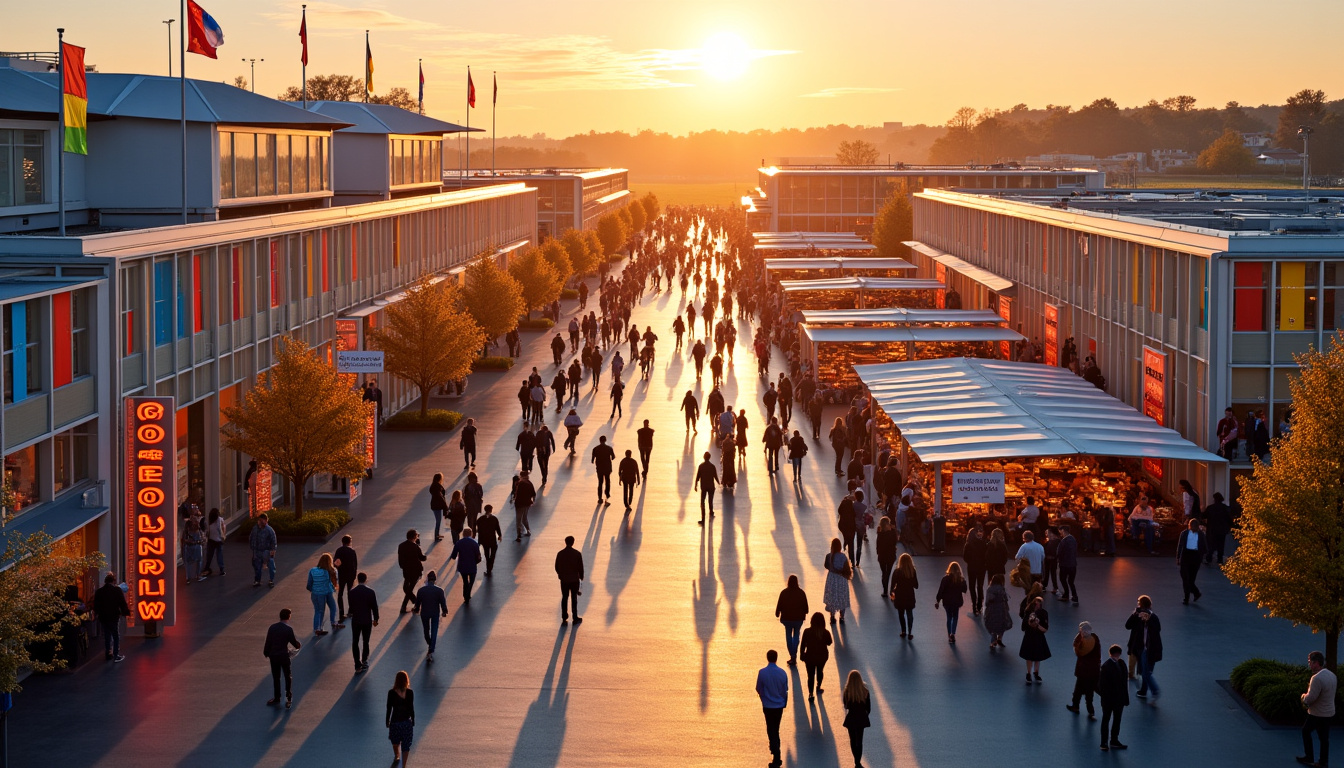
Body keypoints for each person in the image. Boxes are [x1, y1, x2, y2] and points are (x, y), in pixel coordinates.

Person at [1301, 650, 1337, 767]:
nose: (1309, 664)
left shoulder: (1316, 678)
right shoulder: (1332, 675)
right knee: (1324, 738)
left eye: (1310, 662)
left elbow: (1311, 698)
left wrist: (1303, 697)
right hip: (1329, 712)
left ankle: (1309, 757)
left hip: (1317, 713)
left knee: (1306, 731)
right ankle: (1323, 761)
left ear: (1316, 663)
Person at [755, 649, 789, 768]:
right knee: (776, 728)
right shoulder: (782, 673)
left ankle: (776, 752)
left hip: (768, 705)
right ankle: (775, 751)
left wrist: (763, 698)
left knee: (771, 729)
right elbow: (785, 690)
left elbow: (758, 688)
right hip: (779, 705)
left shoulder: (762, 672)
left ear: (767, 657)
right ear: (776, 657)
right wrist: (784, 702)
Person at [1126, 595, 1162, 699]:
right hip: (1144, 648)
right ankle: (1143, 691)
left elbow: (1156, 630)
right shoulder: (1138, 617)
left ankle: (1154, 690)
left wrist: (1148, 620)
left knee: (1146, 672)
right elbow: (1127, 625)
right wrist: (1135, 614)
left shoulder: (1153, 618)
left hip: (1149, 649)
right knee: (1146, 671)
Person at [263, 608, 301, 707]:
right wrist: (298, 645)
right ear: (289, 616)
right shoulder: (288, 629)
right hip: (284, 656)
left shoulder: (272, 627)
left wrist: (266, 652)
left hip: (274, 655)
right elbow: (294, 643)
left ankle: (277, 697)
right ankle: (288, 696)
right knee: (287, 676)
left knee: (276, 677)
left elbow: (268, 641)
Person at [1097, 644, 1130, 750]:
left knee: (1107, 720)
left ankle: (1105, 743)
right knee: (1115, 720)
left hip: (1110, 700)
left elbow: (1100, 686)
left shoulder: (1106, 666)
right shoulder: (1121, 665)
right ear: (1119, 654)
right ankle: (1112, 740)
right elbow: (1124, 683)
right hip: (1116, 700)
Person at [1067, 621, 1102, 719]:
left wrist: (1080, 637)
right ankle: (1090, 711)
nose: (1081, 632)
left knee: (1080, 690)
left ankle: (1076, 707)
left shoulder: (1088, 641)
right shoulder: (1095, 638)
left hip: (1085, 670)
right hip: (1092, 671)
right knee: (1088, 691)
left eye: (1082, 631)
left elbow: (1079, 652)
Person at [93, 572, 130, 662]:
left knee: (107, 635)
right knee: (115, 635)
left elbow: (96, 605)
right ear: (113, 581)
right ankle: (116, 654)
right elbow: (122, 603)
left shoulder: (99, 591)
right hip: (114, 616)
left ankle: (108, 653)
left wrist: (97, 614)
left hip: (103, 617)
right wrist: (125, 612)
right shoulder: (117, 590)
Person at [347, 572, 379, 672]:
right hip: (367, 620)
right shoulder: (370, 592)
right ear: (366, 580)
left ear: (357, 579)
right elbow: (374, 607)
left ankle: (357, 664)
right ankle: (364, 660)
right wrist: (376, 619)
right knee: (366, 641)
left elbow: (351, 608)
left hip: (356, 620)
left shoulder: (351, 592)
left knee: (355, 642)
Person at [774, 574, 809, 665]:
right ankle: (794, 653)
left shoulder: (784, 592)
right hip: (798, 619)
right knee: (796, 635)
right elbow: (806, 609)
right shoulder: (801, 593)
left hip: (787, 619)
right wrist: (803, 613)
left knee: (788, 636)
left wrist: (778, 612)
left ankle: (792, 655)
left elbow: (779, 604)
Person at [799, 612, 833, 703]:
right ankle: (818, 686)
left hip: (810, 656)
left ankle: (810, 693)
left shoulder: (807, 632)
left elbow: (802, 645)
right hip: (822, 656)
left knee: (810, 676)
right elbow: (829, 642)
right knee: (820, 671)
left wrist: (802, 655)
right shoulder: (825, 632)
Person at [415, 572, 448, 661]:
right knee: (434, 631)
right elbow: (443, 602)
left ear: (428, 579)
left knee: (426, 631)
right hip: (435, 613)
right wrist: (444, 611)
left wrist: (416, 609)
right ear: (435, 580)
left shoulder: (421, 590)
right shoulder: (439, 591)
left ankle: (429, 643)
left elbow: (417, 603)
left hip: (424, 613)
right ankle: (431, 649)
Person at [842, 670, 872, 768]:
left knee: (852, 740)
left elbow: (846, 706)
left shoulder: (847, 691)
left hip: (851, 718)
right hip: (861, 718)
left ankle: (856, 760)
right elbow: (868, 708)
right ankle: (858, 761)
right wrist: (864, 714)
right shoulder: (865, 691)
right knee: (859, 740)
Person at [306, 553, 340, 636]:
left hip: (316, 594)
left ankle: (317, 628)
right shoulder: (331, 571)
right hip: (327, 592)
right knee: (333, 607)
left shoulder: (312, 570)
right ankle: (334, 622)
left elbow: (309, 584)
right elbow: (335, 582)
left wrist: (313, 590)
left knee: (318, 611)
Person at [386, 670, 416, 766]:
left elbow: (389, 708)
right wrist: (413, 719)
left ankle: (397, 755)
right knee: (406, 745)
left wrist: (387, 721)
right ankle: (404, 765)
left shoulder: (391, 693)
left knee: (395, 741)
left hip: (395, 722)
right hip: (406, 722)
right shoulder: (410, 692)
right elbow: (411, 707)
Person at [1019, 595, 1051, 684]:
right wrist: (1030, 624)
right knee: (1029, 657)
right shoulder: (1028, 612)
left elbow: (1045, 629)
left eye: (1039, 605)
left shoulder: (1044, 613)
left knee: (1037, 657)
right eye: (1036, 604)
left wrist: (1037, 625)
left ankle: (1036, 672)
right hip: (1029, 636)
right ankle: (1028, 673)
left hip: (1038, 637)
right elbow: (1023, 627)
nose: (1037, 606)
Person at [935, 561, 968, 643]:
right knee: (955, 616)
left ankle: (949, 634)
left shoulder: (945, 579)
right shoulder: (960, 579)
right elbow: (965, 590)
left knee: (949, 617)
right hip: (957, 601)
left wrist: (938, 601)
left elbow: (941, 591)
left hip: (947, 601)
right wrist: (963, 580)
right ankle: (953, 633)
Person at [555, 535, 585, 624]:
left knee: (564, 598)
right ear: (573, 542)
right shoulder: (577, 554)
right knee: (574, 598)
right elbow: (580, 567)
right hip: (574, 580)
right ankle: (575, 616)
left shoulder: (560, 554)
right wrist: (581, 577)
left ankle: (564, 617)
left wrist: (560, 574)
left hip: (564, 580)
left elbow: (557, 567)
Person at [1176, 518, 1207, 604]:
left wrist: (1201, 556)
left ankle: (1196, 593)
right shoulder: (1184, 533)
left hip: (1195, 557)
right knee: (1185, 578)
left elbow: (1204, 546)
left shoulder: (1201, 534)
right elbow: (1180, 545)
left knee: (1191, 579)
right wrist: (1178, 557)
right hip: (1186, 555)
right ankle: (1187, 597)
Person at [448, 528, 482, 603]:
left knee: (465, 581)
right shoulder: (474, 543)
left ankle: (465, 595)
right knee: (471, 581)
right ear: (471, 533)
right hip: (472, 566)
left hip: (462, 565)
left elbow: (453, 556)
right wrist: (475, 562)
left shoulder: (459, 543)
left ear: (463, 534)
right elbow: (478, 556)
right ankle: (467, 594)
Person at [824, 538, 853, 623]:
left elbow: (826, 566)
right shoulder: (843, 556)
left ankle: (832, 616)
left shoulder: (829, 556)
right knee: (842, 597)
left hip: (832, 578)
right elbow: (847, 568)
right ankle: (842, 616)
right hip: (841, 579)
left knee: (832, 596)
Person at [890, 552, 918, 638]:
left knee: (901, 614)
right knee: (910, 614)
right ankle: (910, 632)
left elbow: (892, 584)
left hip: (900, 596)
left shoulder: (897, 572)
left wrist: (892, 592)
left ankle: (903, 631)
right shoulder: (912, 571)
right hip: (909, 595)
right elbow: (916, 586)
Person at [397, 530, 426, 614]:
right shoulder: (415, 547)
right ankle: (416, 603)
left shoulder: (401, 546)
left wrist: (403, 566)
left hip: (406, 570)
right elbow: (421, 558)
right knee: (409, 588)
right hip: (416, 571)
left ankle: (406, 605)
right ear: (414, 537)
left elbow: (400, 559)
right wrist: (425, 557)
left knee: (406, 588)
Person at [984, 574, 1013, 650]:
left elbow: (987, 601)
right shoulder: (1001, 588)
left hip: (992, 609)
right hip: (1001, 608)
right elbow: (1005, 599)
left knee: (992, 624)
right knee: (1002, 623)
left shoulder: (989, 589)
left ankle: (993, 641)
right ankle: (999, 638)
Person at [963, 524, 987, 614]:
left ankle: (974, 605)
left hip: (972, 567)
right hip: (981, 567)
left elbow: (965, 557)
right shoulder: (983, 543)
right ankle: (980, 605)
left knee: (972, 586)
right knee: (980, 586)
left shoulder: (968, 545)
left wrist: (971, 561)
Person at [1204, 491, 1234, 564]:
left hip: (1212, 529)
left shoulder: (1210, 508)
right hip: (1222, 530)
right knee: (1221, 544)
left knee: (1211, 544)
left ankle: (1209, 558)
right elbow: (1229, 519)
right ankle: (1219, 559)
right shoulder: (1225, 508)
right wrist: (1230, 527)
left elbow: (1204, 516)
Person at [249, 513, 278, 588]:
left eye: (262, 520)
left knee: (271, 566)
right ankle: (257, 580)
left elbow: (273, 541)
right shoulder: (255, 529)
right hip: (257, 551)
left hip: (267, 551)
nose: (260, 522)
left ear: (266, 520)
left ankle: (271, 580)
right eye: (259, 520)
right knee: (257, 567)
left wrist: (272, 551)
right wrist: (253, 548)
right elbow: (251, 538)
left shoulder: (269, 530)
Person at [334, 535, 358, 623]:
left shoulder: (339, 550)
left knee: (340, 594)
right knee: (350, 593)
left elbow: (336, 563)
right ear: (349, 542)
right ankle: (351, 611)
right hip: (350, 575)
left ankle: (341, 612)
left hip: (341, 575)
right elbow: (355, 564)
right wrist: (354, 575)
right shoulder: (352, 551)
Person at [477, 505, 503, 577]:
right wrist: (500, 536)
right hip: (492, 539)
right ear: (491, 510)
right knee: (493, 553)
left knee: (486, 554)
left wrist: (479, 542)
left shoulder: (480, 519)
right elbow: (497, 528)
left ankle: (488, 567)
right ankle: (490, 566)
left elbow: (478, 530)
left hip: (484, 540)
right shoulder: (494, 519)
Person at [876, 517, 899, 597]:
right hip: (891, 555)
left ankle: (885, 590)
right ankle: (889, 590)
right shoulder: (892, 534)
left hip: (882, 556)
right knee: (888, 572)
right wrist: (894, 530)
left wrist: (878, 553)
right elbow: (896, 541)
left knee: (884, 572)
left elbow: (878, 545)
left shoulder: (880, 534)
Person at [695, 451, 719, 525]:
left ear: (704, 457)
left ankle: (703, 519)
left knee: (702, 502)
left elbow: (697, 476)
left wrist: (695, 485)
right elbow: (715, 476)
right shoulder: (712, 466)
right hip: (711, 486)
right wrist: (719, 483)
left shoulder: (701, 466)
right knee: (710, 501)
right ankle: (711, 512)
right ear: (710, 457)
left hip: (704, 486)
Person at [1057, 525, 1079, 605]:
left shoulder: (1064, 541)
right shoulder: (1073, 539)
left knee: (1062, 579)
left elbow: (1059, 552)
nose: (1060, 533)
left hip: (1064, 564)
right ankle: (1075, 596)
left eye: (1060, 531)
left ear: (1063, 530)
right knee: (1071, 581)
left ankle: (1066, 594)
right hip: (1073, 564)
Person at [591, 436, 616, 504]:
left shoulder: (595, 449)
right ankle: (607, 494)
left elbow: (592, 460)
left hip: (599, 468)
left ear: (599, 440)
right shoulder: (609, 448)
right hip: (607, 468)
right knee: (607, 481)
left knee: (600, 482)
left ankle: (600, 498)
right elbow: (613, 457)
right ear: (605, 440)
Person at [514, 470, 537, 542]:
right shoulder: (530, 483)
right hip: (527, 504)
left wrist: (514, 500)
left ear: (521, 476)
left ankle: (519, 535)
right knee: (524, 518)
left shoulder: (520, 483)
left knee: (518, 520)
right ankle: (528, 530)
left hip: (520, 504)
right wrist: (533, 501)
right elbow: (533, 494)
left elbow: (517, 495)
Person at [203, 508, 226, 577]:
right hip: (218, 541)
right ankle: (221, 569)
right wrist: (224, 536)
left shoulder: (210, 521)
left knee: (210, 555)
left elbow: (207, 531)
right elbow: (223, 528)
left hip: (212, 540)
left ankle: (207, 568)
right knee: (219, 555)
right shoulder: (220, 520)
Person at [181, 518, 206, 584]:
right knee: (199, 561)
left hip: (188, 547)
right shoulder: (198, 530)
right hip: (197, 547)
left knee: (188, 563)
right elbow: (202, 539)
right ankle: (198, 575)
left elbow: (183, 539)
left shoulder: (186, 531)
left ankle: (188, 578)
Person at [428, 473, 447, 542]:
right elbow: (441, 497)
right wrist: (445, 506)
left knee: (438, 520)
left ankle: (437, 534)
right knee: (438, 521)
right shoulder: (437, 487)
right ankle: (436, 536)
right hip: (437, 506)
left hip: (434, 505)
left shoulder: (434, 486)